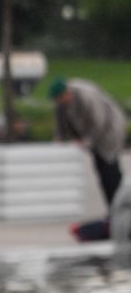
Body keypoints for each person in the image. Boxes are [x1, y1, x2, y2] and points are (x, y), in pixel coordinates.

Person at [49, 77, 127, 209]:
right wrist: (59, 140)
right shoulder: (62, 103)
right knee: (101, 171)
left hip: (110, 130)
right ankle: (112, 207)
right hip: (94, 136)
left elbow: (99, 121)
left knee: (110, 169)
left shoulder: (86, 95)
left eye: (60, 99)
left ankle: (120, 207)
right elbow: (60, 124)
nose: (60, 103)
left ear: (66, 93)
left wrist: (86, 141)